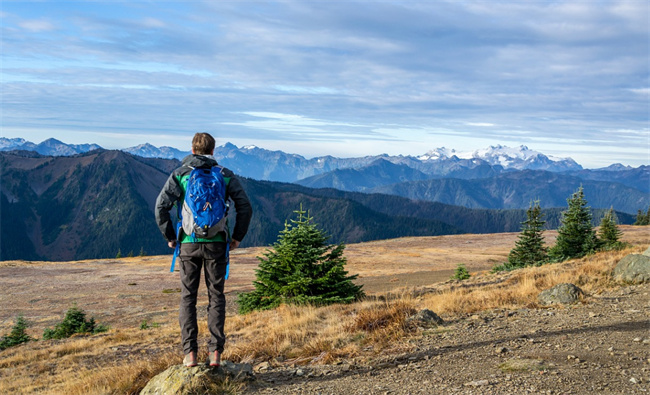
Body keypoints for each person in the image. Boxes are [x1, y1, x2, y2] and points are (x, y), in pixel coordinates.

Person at [155, 132, 252, 367]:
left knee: (188, 297)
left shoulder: (180, 174)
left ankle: (190, 354)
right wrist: (237, 237)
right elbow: (245, 207)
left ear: (192, 149)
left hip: (188, 244)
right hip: (217, 244)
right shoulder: (225, 175)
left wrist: (171, 237)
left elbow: (161, 207)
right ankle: (215, 353)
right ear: (212, 151)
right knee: (216, 296)